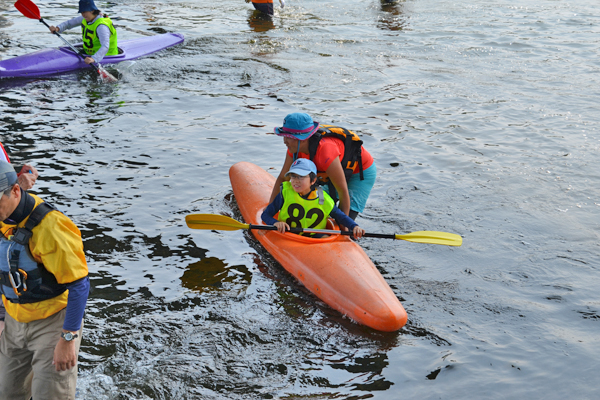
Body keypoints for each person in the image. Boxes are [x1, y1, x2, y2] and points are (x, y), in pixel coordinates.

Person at [0, 161, 89, 399]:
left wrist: (68, 338)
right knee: (6, 392)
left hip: (52, 323)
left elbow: (80, 284)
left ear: (16, 191)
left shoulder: (51, 227)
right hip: (13, 320)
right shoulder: (2, 217)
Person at [269, 112, 377, 220]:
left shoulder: (325, 152)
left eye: (288, 137)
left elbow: (342, 191)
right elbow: (283, 178)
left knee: (345, 217)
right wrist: (270, 209)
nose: (284, 141)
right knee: (317, 204)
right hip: (332, 170)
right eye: (284, 136)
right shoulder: (294, 149)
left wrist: (344, 224)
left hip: (360, 172)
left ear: (302, 138)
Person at [262, 158, 365, 238]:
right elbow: (266, 215)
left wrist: (354, 226)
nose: (296, 181)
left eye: (301, 177)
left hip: (315, 237)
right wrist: (275, 223)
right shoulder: (285, 193)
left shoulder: (324, 199)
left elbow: (341, 216)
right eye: (293, 176)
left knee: (324, 237)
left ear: (313, 180)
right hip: (287, 234)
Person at [48, 0, 118, 65]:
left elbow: (105, 46)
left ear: (92, 10)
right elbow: (69, 23)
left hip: (107, 56)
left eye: (84, 12)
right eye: (81, 12)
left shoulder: (101, 26)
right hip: (89, 54)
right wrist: (57, 28)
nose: (83, 14)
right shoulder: (86, 18)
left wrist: (93, 59)